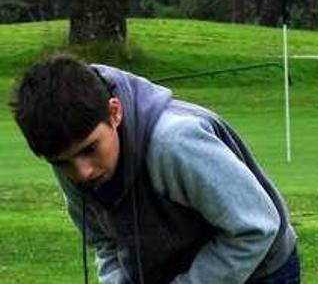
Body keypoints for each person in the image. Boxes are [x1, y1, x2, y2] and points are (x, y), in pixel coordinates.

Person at [10, 54, 300, 284]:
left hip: (260, 271)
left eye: (90, 149)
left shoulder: (173, 143)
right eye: (62, 162)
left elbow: (256, 227)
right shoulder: (70, 157)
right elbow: (105, 242)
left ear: (114, 112)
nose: (83, 172)